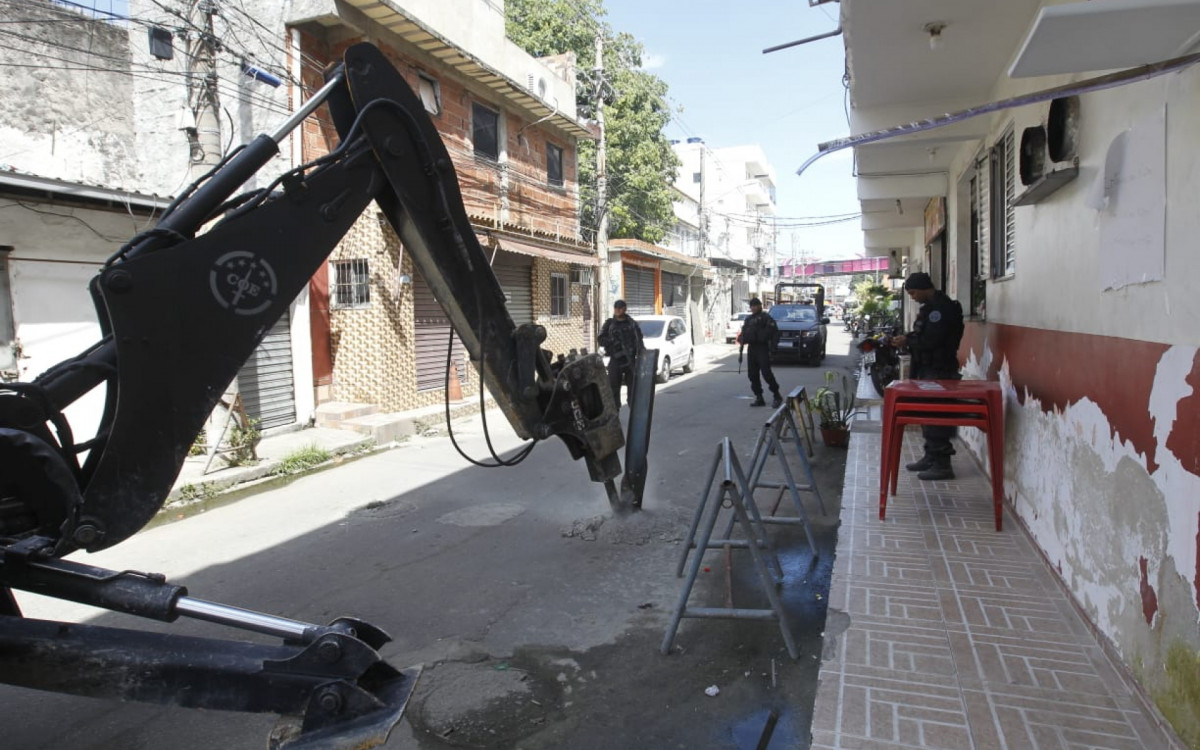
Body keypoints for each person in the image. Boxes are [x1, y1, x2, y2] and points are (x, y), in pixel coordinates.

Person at [890, 272, 965, 481]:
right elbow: (923, 336)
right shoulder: (931, 308)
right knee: (927, 413)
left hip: (939, 369)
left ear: (924, 288)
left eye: (913, 292)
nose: (913, 297)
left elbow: (932, 340)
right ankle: (931, 455)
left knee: (938, 415)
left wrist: (907, 341)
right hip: (928, 368)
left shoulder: (941, 309)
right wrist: (908, 338)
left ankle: (942, 464)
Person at [598, 299, 644, 408]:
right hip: (615, 359)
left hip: (630, 360)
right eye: (616, 308)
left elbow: (639, 340)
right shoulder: (609, 324)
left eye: (620, 308)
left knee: (633, 390)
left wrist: (641, 355)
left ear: (624, 309)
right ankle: (615, 411)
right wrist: (612, 341)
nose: (617, 310)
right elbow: (600, 339)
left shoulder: (632, 324)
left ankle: (634, 413)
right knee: (613, 388)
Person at [739, 298, 783, 408]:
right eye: (751, 306)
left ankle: (777, 395)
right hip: (752, 349)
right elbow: (744, 333)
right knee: (752, 375)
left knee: (766, 374)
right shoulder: (748, 319)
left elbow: (775, 333)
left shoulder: (766, 318)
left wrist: (773, 348)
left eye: (755, 305)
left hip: (762, 348)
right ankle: (759, 397)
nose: (753, 308)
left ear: (760, 306)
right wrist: (742, 340)